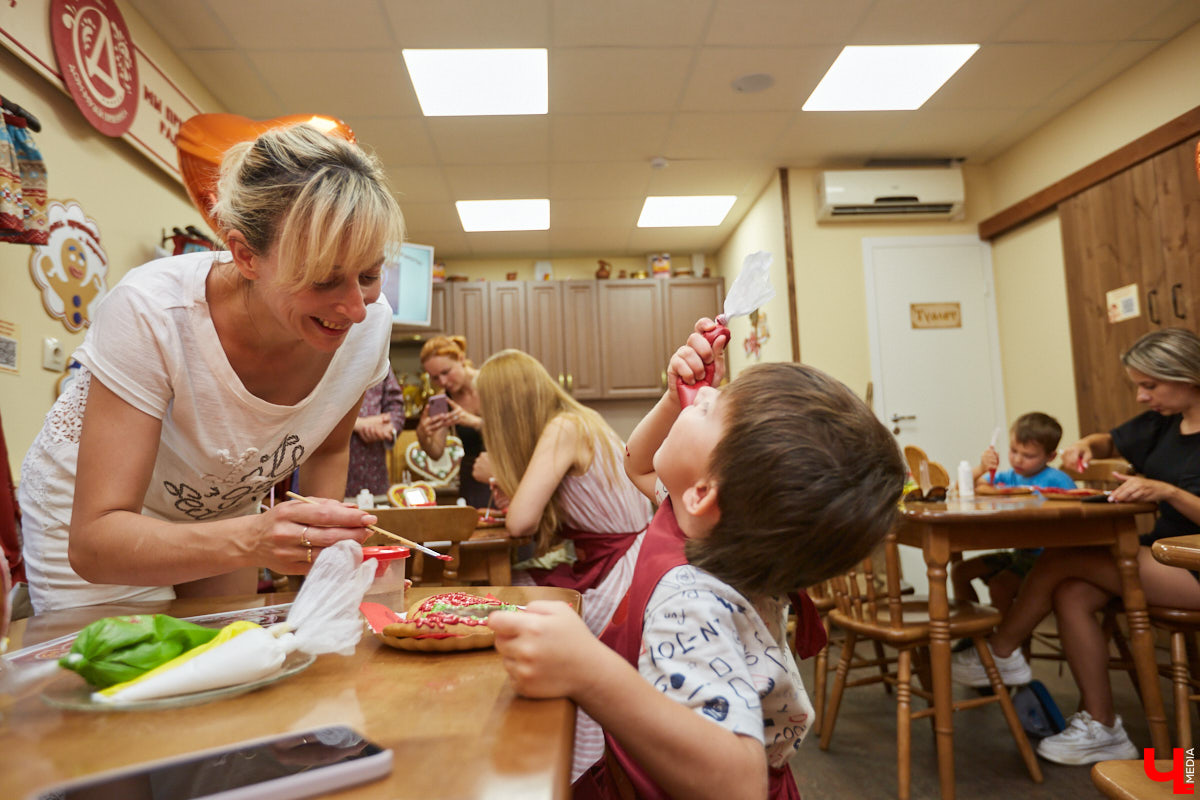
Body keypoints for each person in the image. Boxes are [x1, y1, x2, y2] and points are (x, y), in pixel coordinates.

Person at [489, 319, 906, 799]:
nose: (706, 394)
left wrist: (587, 669)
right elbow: (638, 464)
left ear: (704, 492)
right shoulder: (707, 523)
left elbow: (739, 786)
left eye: (712, 408)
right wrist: (675, 400)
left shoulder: (693, 603)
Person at [18, 123, 404, 613]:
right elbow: (95, 542)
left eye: (369, 275)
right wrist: (254, 540)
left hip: (224, 511)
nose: (354, 307)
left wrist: (323, 570)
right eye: (324, 279)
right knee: (131, 677)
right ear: (245, 255)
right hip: (100, 520)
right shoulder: (152, 311)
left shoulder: (368, 326)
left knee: (233, 664)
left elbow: (327, 449)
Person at [952, 328, 1200, 765]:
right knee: (1071, 590)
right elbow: (1109, 440)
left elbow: (1177, 497)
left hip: (1192, 561)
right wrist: (1083, 446)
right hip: (1160, 551)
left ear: (1186, 376)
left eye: (1150, 386)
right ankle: (1102, 727)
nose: (1142, 397)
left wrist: (1168, 492)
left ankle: (1002, 649)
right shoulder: (1164, 422)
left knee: (1066, 556)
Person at [475, 349, 653, 635]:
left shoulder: (563, 429)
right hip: (631, 562)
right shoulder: (580, 418)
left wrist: (494, 474)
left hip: (620, 579)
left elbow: (521, 523)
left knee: (507, 592)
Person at [952, 412, 1076, 615]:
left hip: (1047, 558)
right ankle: (974, 632)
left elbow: (1077, 515)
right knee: (960, 571)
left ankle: (1005, 640)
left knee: (1000, 585)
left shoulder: (1057, 481)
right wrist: (982, 467)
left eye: (1028, 455)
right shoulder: (1010, 476)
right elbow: (963, 487)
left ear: (1050, 457)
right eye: (1013, 450)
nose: (1018, 459)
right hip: (1019, 553)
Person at [416, 335, 490, 508]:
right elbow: (436, 452)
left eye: (446, 372)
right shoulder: (443, 401)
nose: (442, 382)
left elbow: (513, 433)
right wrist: (422, 434)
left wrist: (474, 422)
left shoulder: (490, 383)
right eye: (434, 378)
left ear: (461, 359)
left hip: (504, 470)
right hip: (472, 478)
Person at [346, 371, 405, 497]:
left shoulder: (380, 361)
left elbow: (396, 410)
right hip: (330, 474)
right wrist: (358, 424)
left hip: (374, 475)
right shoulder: (322, 358)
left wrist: (387, 428)